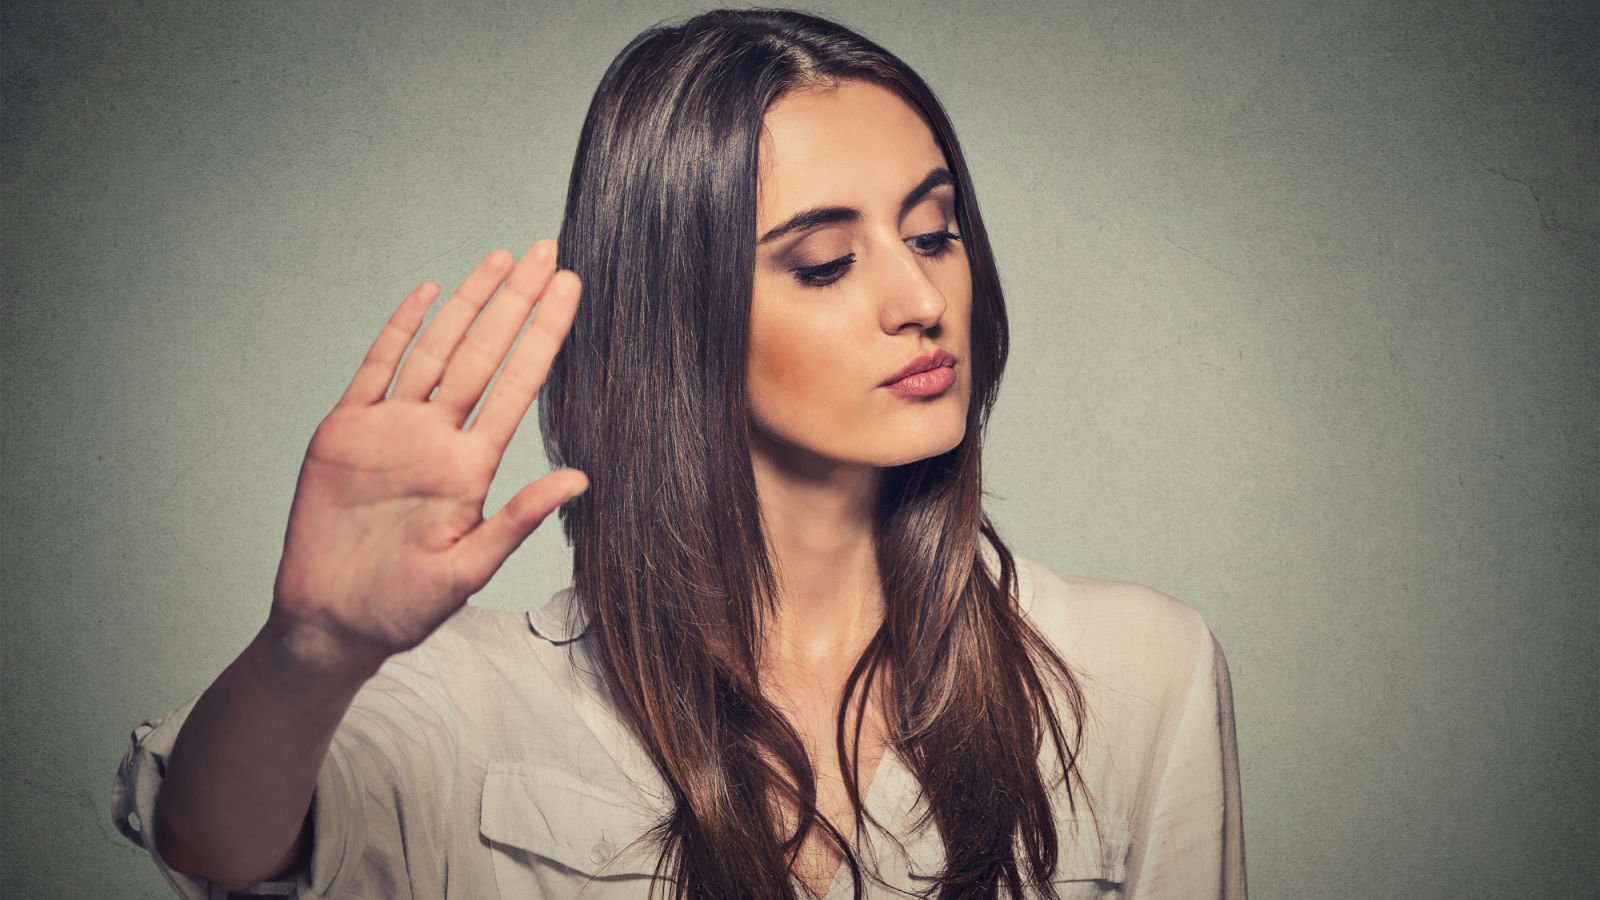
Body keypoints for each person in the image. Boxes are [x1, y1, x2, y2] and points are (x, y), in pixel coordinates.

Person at [111, 9, 1246, 899]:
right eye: (823, 263)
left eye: (933, 232)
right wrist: (307, 652)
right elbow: (216, 845)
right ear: (676, 311)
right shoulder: (466, 699)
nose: (918, 297)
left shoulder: (1142, 669)